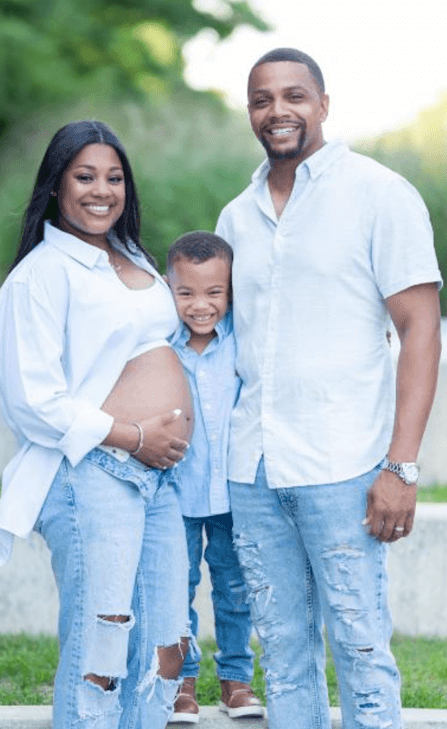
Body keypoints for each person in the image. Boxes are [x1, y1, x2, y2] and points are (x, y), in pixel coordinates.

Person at [215, 48, 443, 729]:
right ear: (250, 111)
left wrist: (400, 465)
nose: (277, 111)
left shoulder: (380, 194)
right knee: (282, 654)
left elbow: (421, 332)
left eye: (293, 95)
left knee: (361, 645)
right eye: (262, 99)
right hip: (253, 468)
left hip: (343, 464)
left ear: (322, 103)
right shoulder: (237, 216)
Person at [0, 120, 196, 729]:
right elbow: (34, 400)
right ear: (55, 186)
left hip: (159, 480)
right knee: (99, 652)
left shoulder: (132, 259)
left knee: (164, 647)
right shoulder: (40, 276)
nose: (101, 190)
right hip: (93, 477)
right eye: (84, 177)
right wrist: (134, 436)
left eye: (114, 177)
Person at [164, 232, 263, 724]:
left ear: (231, 291)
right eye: (187, 293)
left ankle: (235, 681)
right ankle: (181, 685)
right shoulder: (161, 349)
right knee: (174, 589)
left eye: (214, 293)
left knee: (235, 588)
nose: (200, 306)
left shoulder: (242, 345)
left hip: (231, 493)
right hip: (175, 493)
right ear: (170, 289)